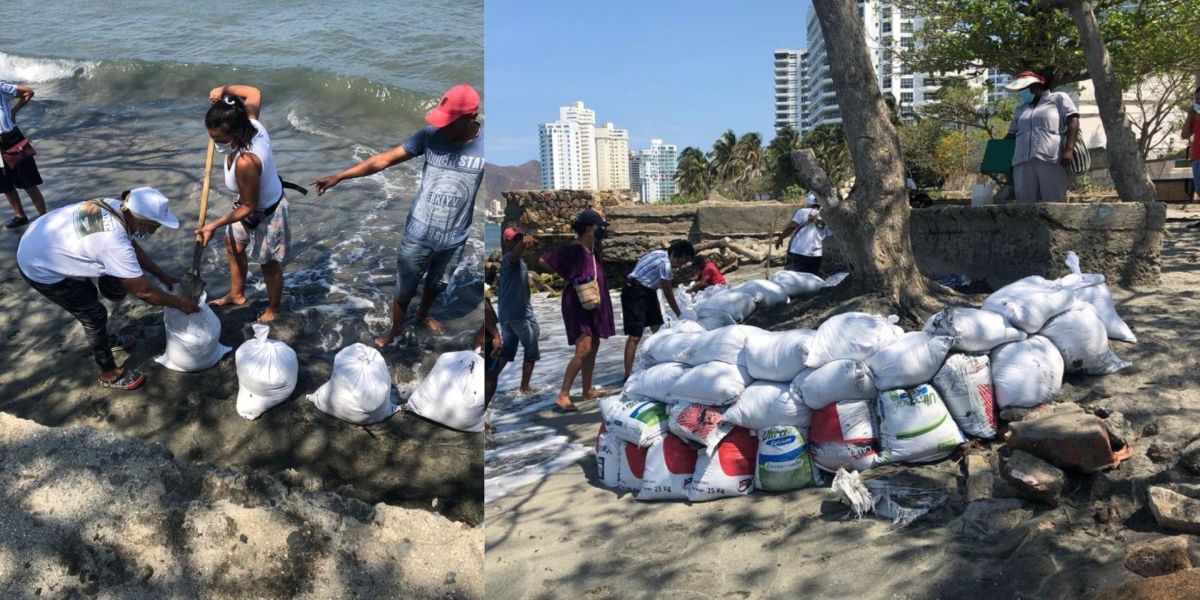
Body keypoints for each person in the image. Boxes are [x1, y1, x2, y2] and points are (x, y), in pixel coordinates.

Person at [312, 84, 483, 346]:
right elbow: (383, 160)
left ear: (471, 117)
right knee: (405, 288)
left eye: (449, 121)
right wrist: (340, 176)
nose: (443, 126)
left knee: (437, 284)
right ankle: (396, 328)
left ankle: (423, 313)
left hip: (455, 237)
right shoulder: (430, 135)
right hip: (419, 232)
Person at [16, 188, 199, 390]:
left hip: (43, 242)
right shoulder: (112, 241)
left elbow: (131, 245)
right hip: (39, 266)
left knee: (90, 295)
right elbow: (143, 292)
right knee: (94, 315)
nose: (153, 232)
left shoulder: (115, 207)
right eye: (153, 227)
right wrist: (181, 303)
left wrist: (160, 274)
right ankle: (108, 373)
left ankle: (106, 339)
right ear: (140, 220)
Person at [196, 84, 291, 323]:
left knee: (268, 264)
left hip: (269, 212)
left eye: (219, 139)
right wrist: (223, 89)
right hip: (246, 203)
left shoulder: (246, 161)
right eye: (211, 136)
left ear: (237, 133)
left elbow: (249, 207)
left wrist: (213, 225)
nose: (215, 143)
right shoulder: (251, 124)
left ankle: (274, 308)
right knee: (233, 246)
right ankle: (237, 294)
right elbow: (254, 93)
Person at [539, 209, 615, 412]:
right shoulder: (575, 250)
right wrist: (569, 277)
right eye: (600, 227)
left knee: (595, 343)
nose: (602, 232)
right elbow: (544, 260)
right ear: (590, 229)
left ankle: (587, 389)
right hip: (577, 304)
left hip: (594, 304)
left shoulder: (593, 252)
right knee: (584, 348)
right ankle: (563, 394)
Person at [620, 240, 696, 380]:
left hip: (647, 291)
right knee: (635, 335)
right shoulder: (665, 264)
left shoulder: (658, 253)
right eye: (681, 262)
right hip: (635, 293)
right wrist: (680, 314)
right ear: (674, 253)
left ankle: (660, 362)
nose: (679, 266)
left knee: (658, 329)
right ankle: (627, 375)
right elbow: (668, 293)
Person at [1004, 70, 1080, 203]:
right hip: (1022, 161)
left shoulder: (1058, 99)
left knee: (1054, 201)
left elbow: (1073, 120)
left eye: (1024, 89)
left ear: (1035, 87)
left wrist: (1069, 150)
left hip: (1050, 158)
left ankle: (1054, 224)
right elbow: (1011, 135)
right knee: (1024, 203)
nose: (1021, 92)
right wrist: (996, 157)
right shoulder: (1021, 109)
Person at [495, 227, 540, 394]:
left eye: (519, 238)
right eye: (515, 239)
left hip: (507, 315)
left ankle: (489, 380)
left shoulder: (519, 262)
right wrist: (522, 243)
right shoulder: (509, 259)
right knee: (531, 351)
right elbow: (515, 253)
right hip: (520, 316)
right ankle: (525, 388)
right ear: (507, 242)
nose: (518, 241)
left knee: (506, 352)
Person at [0, 80, 48, 229]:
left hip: (11, 139)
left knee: (28, 181)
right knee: (4, 184)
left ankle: (45, 218)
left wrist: (13, 112)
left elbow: (28, 92)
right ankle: (20, 216)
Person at [775, 194, 828, 274]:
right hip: (816, 255)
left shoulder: (802, 212)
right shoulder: (827, 217)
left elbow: (792, 226)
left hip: (799, 252)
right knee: (811, 278)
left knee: (799, 278)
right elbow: (829, 233)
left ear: (808, 202)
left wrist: (781, 238)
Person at [1182, 85, 1200, 215]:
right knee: (1199, 189)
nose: (1198, 101)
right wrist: (1189, 117)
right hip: (1196, 156)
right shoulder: (1195, 116)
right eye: (1197, 98)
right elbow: (1184, 135)